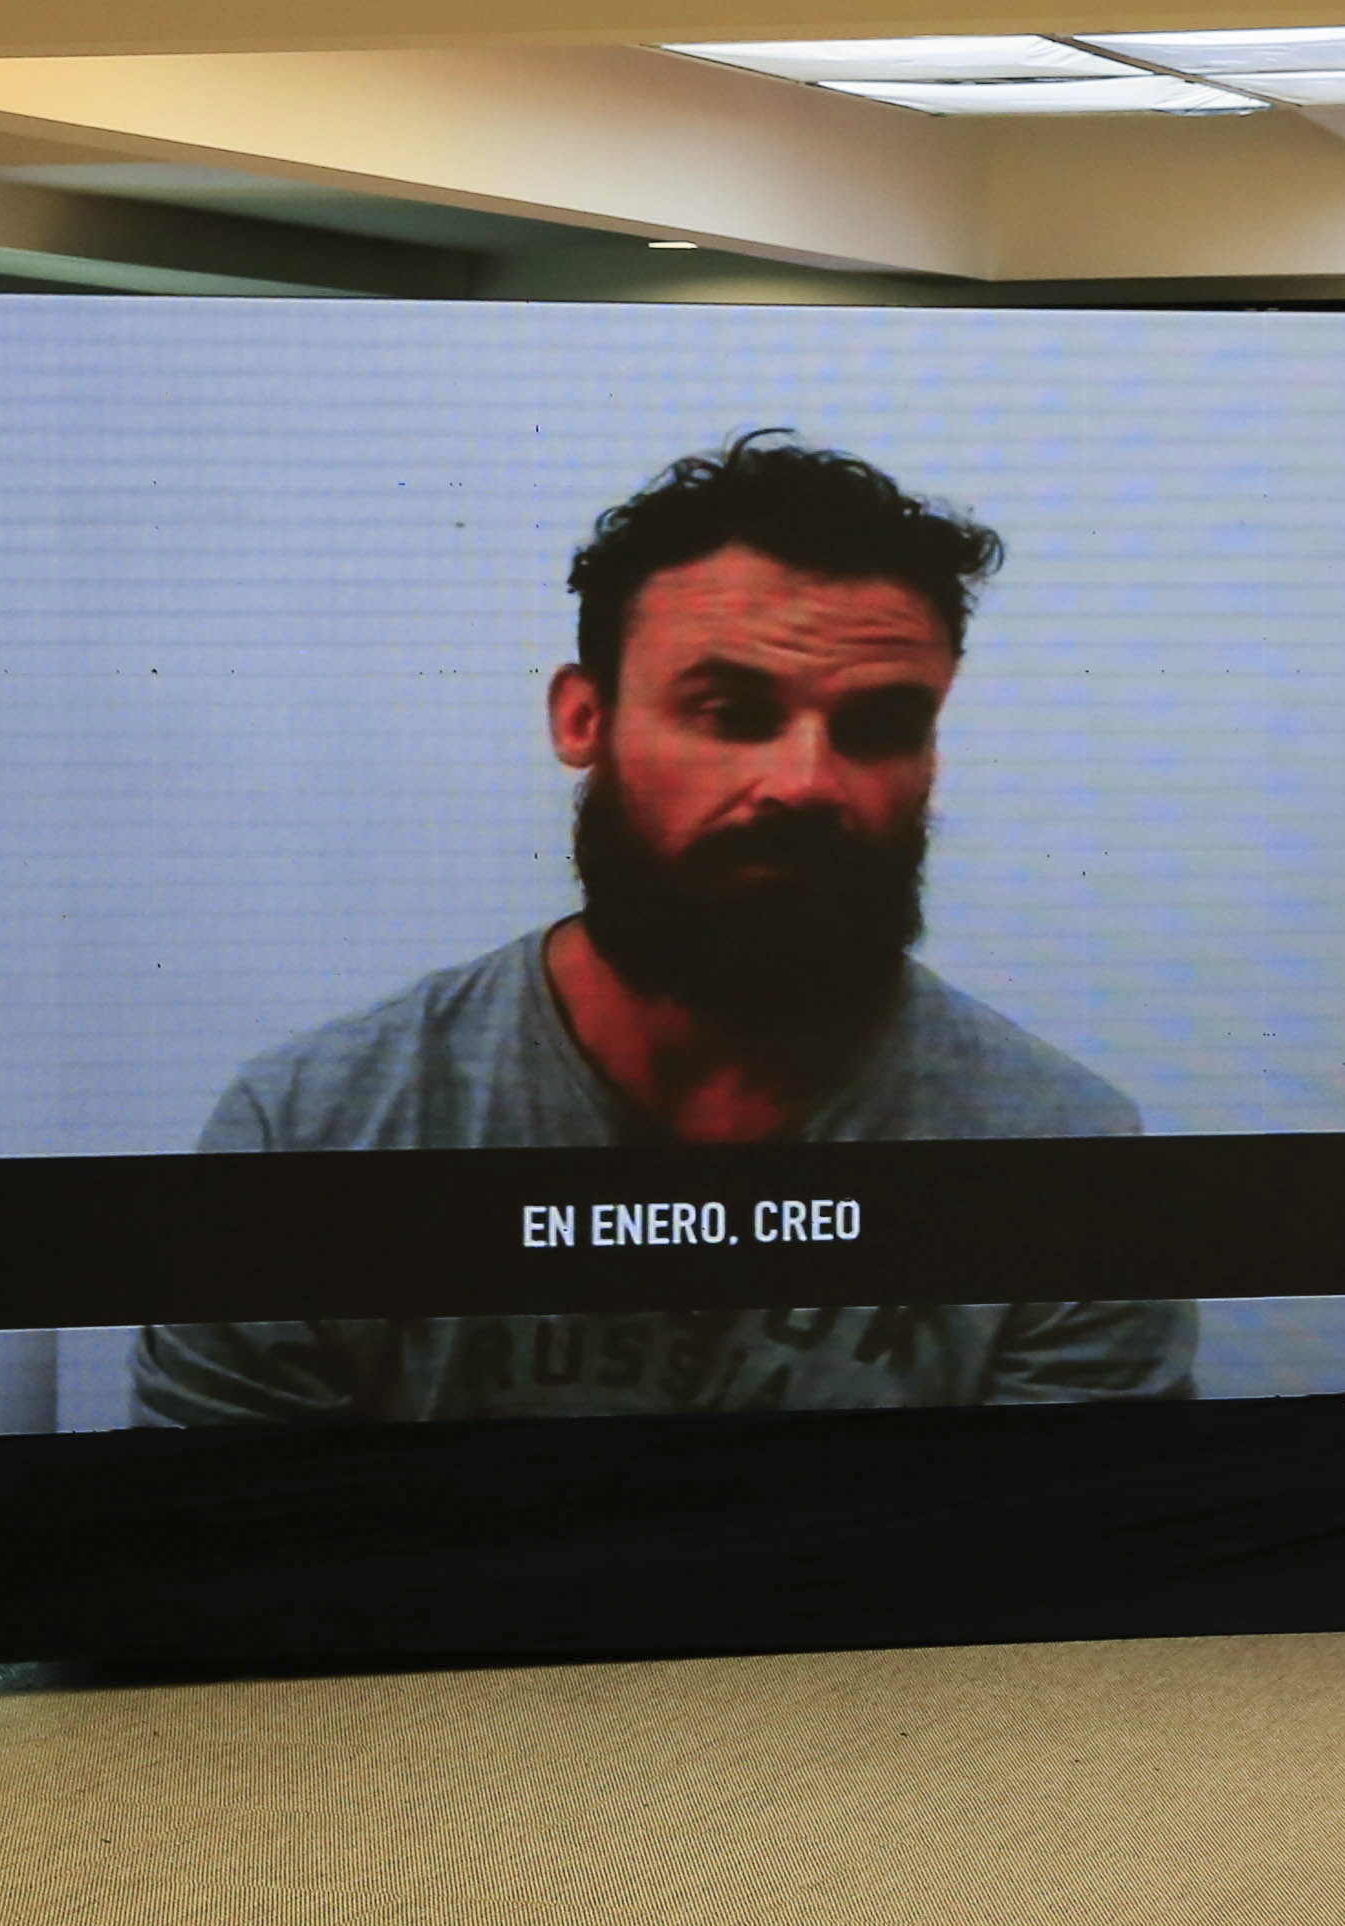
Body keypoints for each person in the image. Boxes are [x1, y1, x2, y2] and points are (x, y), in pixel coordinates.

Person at [137, 431, 1198, 1424]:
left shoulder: (1064, 1162)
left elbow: (1057, 1591)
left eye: (880, 726)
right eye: (731, 713)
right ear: (582, 720)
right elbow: (224, 1578)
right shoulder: (318, 1135)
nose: (806, 783)